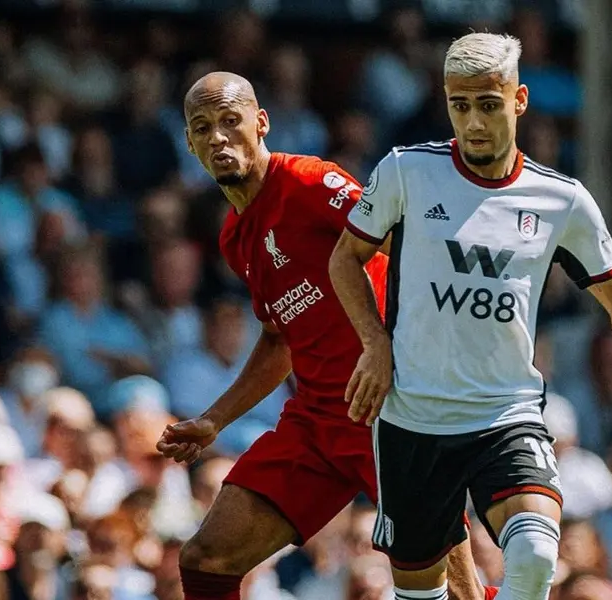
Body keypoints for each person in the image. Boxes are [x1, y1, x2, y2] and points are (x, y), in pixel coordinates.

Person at [328, 32, 612, 600]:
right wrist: (374, 342)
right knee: (422, 595)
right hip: (414, 419)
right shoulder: (405, 173)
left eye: (487, 105)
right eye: (459, 105)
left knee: (538, 556)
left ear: (518, 100)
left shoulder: (561, 199)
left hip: (505, 415)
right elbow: (345, 258)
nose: (472, 122)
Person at [153, 72, 491, 600]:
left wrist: (399, 350)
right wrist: (215, 418)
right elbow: (277, 339)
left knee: (457, 589)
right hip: (317, 423)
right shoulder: (234, 238)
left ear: (260, 123)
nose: (218, 137)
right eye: (202, 128)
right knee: (207, 559)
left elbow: (412, 244)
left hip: (391, 408)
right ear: (190, 144)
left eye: (229, 121)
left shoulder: (310, 183)